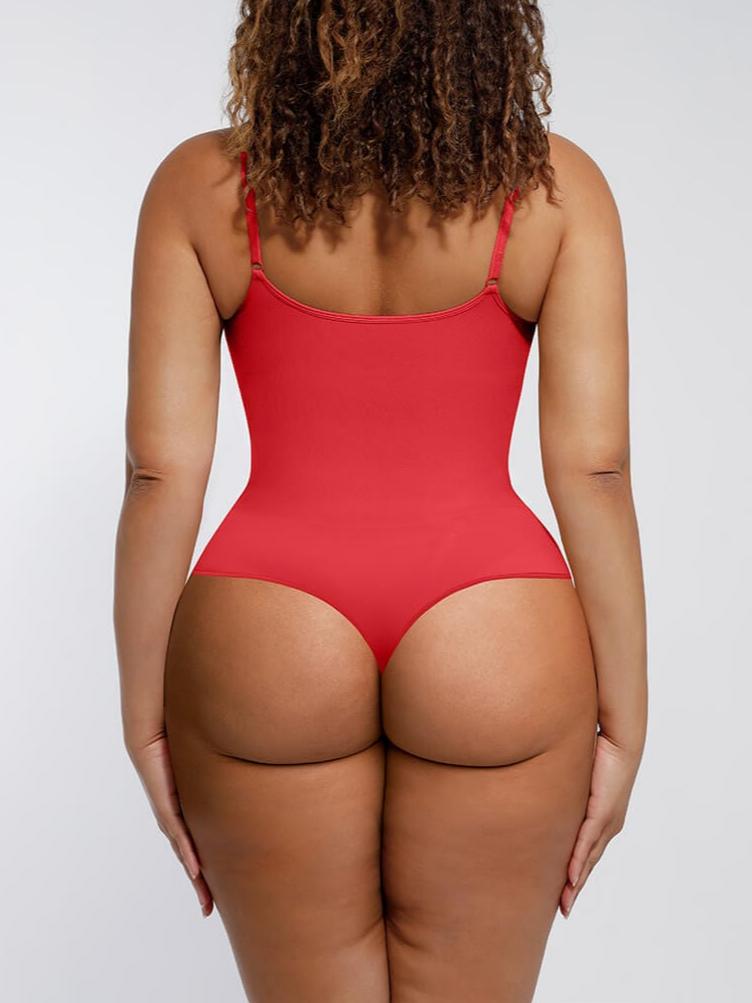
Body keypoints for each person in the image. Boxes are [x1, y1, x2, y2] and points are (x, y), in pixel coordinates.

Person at [113, 2, 647, 1000]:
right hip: (494, 630)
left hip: (269, 626)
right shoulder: (553, 189)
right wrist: (626, 716)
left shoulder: (201, 188)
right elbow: (595, 469)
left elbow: (159, 472)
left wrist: (145, 719)